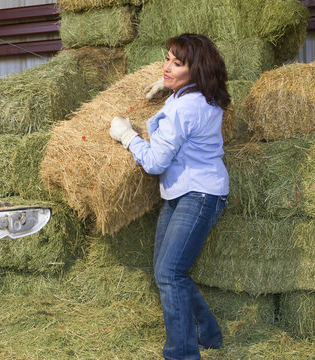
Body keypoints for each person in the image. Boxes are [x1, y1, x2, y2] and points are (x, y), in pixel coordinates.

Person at [109, 33, 230, 360]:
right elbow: (187, 104)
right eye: (168, 59)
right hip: (181, 191)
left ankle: (181, 354)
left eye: (178, 64)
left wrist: (128, 137)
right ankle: (209, 333)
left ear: (196, 70)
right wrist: (170, 86)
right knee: (169, 269)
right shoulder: (199, 94)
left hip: (199, 193)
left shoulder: (186, 108)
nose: (166, 66)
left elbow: (155, 162)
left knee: (169, 273)